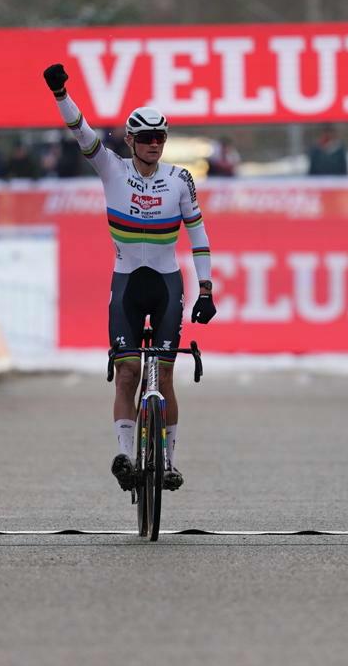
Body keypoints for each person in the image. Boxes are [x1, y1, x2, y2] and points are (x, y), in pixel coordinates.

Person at [42, 62, 217, 492]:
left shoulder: (180, 179)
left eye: (161, 137)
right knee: (126, 374)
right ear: (131, 140)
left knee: (166, 374)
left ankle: (169, 462)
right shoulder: (112, 169)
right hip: (126, 285)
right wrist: (61, 94)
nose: (155, 144)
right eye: (146, 138)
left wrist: (207, 288)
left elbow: (198, 234)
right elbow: (81, 132)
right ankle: (124, 455)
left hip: (166, 285)